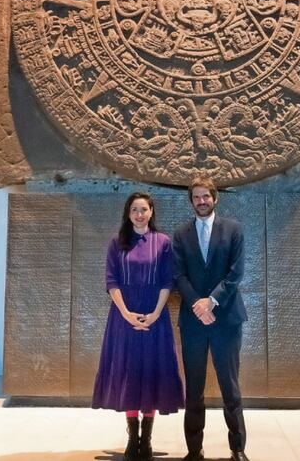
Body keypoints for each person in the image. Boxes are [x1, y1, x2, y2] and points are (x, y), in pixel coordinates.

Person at [92, 192, 184, 461]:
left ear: (152, 211)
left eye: (143, 209)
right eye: (134, 210)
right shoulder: (117, 242)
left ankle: (148, 439)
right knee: (130, 372)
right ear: (128, 213)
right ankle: (133, 438)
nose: (139, 214)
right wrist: (127, 314)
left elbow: (168, 281)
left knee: (151, 373)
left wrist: (155, 313)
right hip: (124, 317)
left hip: (155, 316)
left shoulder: (163, 242)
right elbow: (112, 281)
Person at [172, 177, 249, 461]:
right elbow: (178, 275)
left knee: (230, 387)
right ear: (191, 201)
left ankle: (237, 448)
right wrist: (197, 304)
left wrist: (211, 301)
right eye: (196, 198)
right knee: (194, 389)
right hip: (193, 322)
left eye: (206, 196)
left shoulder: (234, 229)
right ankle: (194, 449)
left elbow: (236, 272)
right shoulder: (180, 234)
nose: (201, 201)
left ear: (215, 198)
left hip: (226, 319)